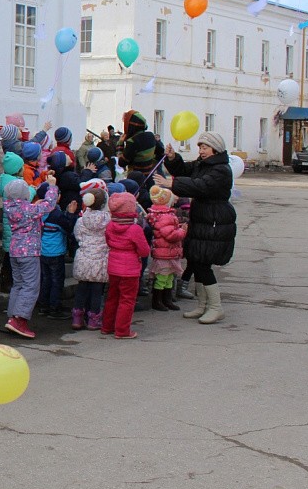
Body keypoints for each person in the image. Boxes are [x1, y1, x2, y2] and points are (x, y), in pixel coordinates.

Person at [155, 132, 236, 324]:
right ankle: (202, 305)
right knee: (197, 260)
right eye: (200, 147)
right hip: (202, 217)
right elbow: (185, 170)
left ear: (216, 149)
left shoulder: (221, 170)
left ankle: (215, 307)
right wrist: (173, 159)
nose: (201, 151)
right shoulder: (203, 164)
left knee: (203, 263)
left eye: (205, 147)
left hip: (214, 219)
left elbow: (200, 186)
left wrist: (173, 183)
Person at [3, 173, 58, 340]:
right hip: (29, 251)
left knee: (18, 284)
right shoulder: (28, 210)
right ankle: (19, 320)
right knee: (31, 286)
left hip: (14, 250)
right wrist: (52, 186)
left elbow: (28, 210)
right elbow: (50, 205)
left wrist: (35, 205)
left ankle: (12, 316)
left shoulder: (10, 207)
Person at [101, 192, 149, 339]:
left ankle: (107, 326)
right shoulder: (135, 229)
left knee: (112, 297)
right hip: (130, 269)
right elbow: (144, 251)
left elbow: (108, 242)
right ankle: (122, 330)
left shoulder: (110, 226)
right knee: (127, 299)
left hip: (113, 266)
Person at [72, 188, 110, 331]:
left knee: (81, 288)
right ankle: (93, 320)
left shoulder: (81, 220)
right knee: (97, 290)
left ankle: (77, 318)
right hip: (100, 258)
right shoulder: (108, 220)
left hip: (83, 257)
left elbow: (77, 236)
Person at [38, 186, 77, 320]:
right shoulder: (56, 215)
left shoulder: (39, 211)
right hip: (55, 252)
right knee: (56, 281)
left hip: (43, 251)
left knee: (45, 279)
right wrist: (70, 214)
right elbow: (69, 227)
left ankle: (43, 305)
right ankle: (54, 307)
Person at [147, 185, 186, 312]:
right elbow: (170, 235)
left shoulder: (160, 214)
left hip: (166, 251)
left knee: (168, 276)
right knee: (163, 277)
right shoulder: (166, 216)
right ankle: (158, 300)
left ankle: (165, 299)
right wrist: (182, 231)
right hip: (165, 252)